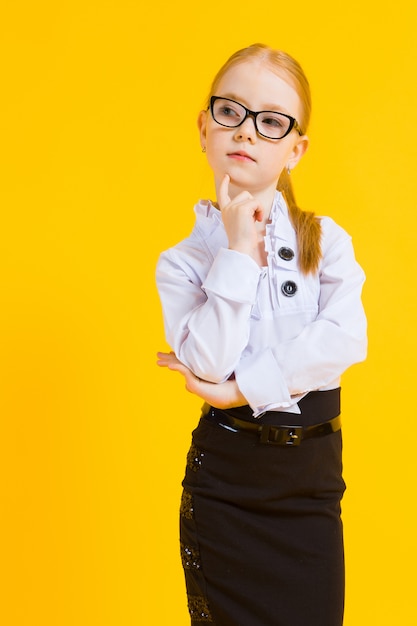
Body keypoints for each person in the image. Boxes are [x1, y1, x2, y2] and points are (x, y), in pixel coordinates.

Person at [156, 43, 367, 626]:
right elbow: (207, 360)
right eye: (231, 112)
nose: (246, 132)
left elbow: (346, 340)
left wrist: (240, 387)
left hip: (309, 488)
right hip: (227, 487)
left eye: (271, 122)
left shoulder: (326, 241)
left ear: (295, 149)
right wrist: (239, 252)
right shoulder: (182, 264)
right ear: (204, 127)